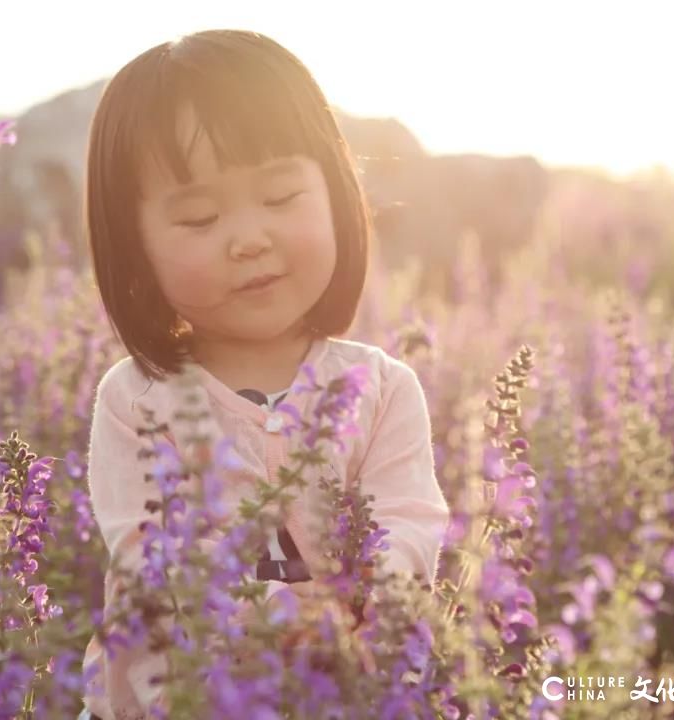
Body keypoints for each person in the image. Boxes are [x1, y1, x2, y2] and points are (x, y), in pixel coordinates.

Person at [77, 28, 450, 720]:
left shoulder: (383, 388)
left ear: (338, 196)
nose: (249, 238)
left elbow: (409, 520)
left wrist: (378, 605)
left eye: (280, 197)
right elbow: (152, 559)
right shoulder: (135, 400)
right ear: (135, 251)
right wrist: (277, 617)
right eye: (198, 216)